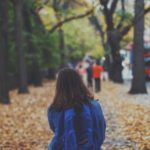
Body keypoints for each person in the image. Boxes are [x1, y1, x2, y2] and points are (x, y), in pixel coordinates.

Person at [47, 68, 106, 150]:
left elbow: (55, 129)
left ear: (59, 86)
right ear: (80, 82)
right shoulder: (94, 106)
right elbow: (100, 131)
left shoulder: (54, 108)